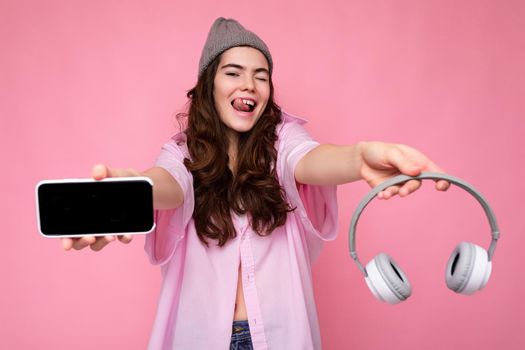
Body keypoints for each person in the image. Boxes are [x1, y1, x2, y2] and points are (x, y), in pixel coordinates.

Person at [61, 18, 450, 350]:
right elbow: (168, 183)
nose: (249, 84)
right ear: (209, 85)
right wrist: (132, 187)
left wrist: (359, 157)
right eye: (234, 73)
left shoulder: (284, 142)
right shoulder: (180, 155)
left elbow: (311, 160)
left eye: (260, 76)